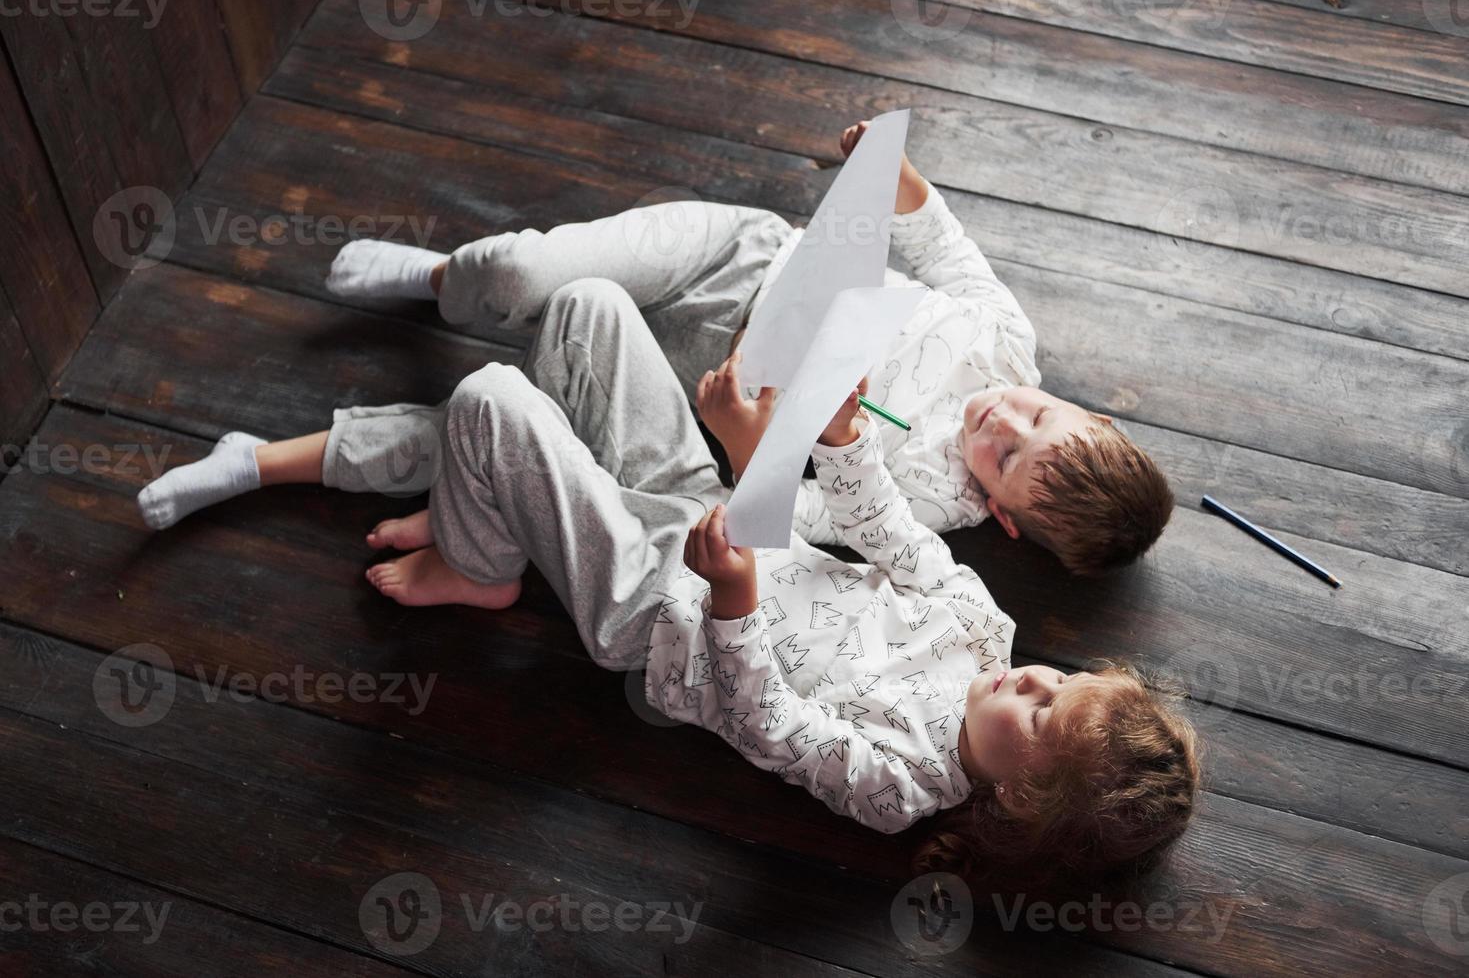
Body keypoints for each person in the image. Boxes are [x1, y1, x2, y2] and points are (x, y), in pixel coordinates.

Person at [135, 276, 1198, 879]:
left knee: (494, 398)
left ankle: (479, 557)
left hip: (661, 609)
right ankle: (497, 501)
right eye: (1062, 683)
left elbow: (769, 722)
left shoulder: (899, 786)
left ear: (1017, 790)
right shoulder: (981, 628)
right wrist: (839, 442)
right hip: (722, 515)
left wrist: (731, 601)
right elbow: (885, 533)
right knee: (588, 307)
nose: (1031, 686)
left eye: (1041, 718)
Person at [318, 120, 1174, 575]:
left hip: (699, 386)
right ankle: (441, 279)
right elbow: (943, 247)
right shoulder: (1007, 342)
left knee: (497, 415)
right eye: (1034, 416)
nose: (1001, 421)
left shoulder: (924, 509)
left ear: (1003, 519)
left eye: (1004, 458)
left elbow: (781, 516)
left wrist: (741, 439)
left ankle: (438, 499)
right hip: (740, 256)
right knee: (514, 271)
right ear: (1077, 406)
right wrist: (899, 180)